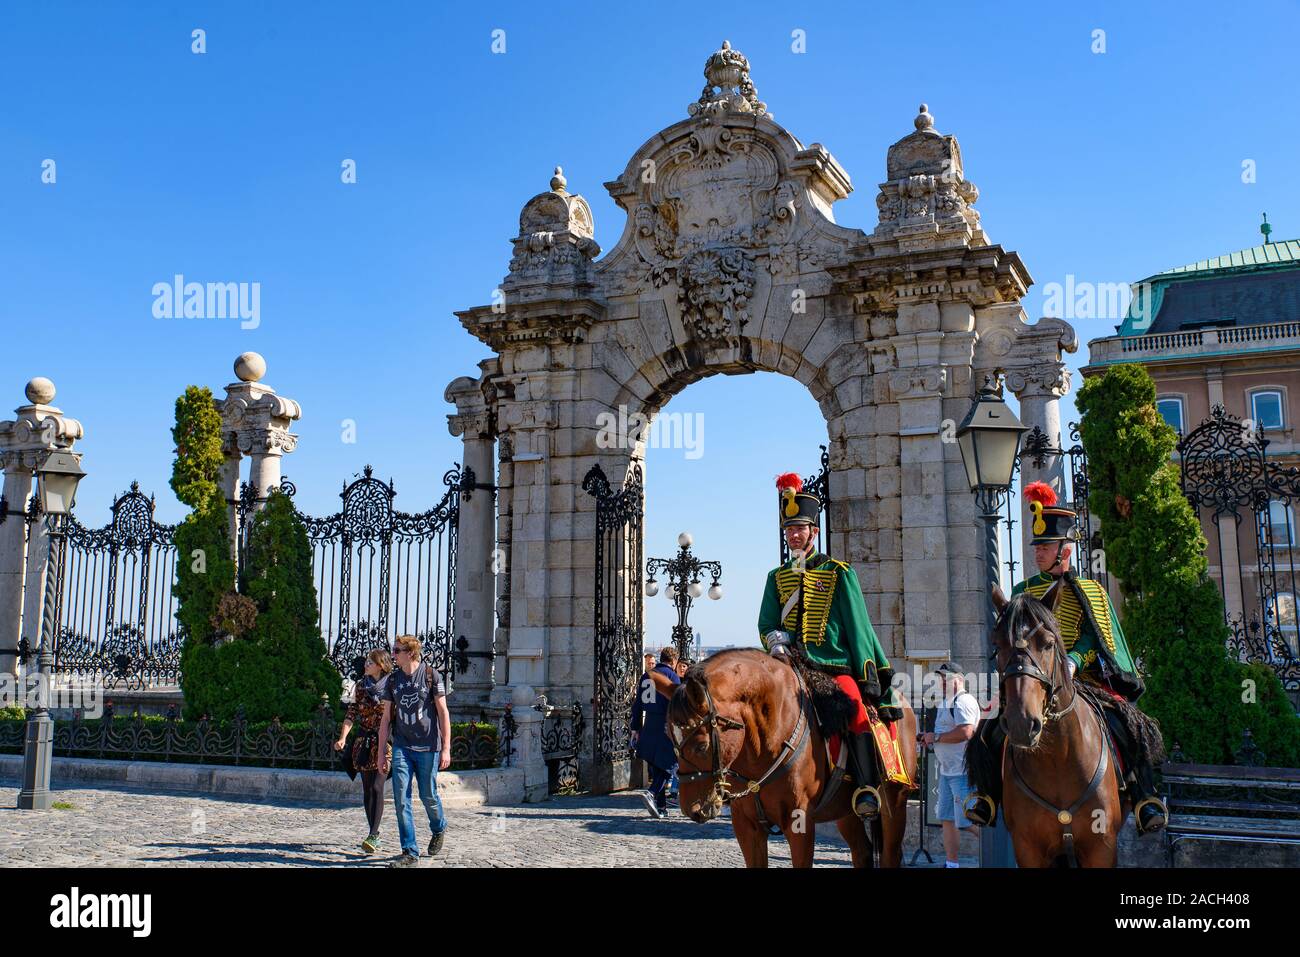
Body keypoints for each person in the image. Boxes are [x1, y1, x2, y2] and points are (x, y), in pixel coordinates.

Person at [963, 481, 1168, 835]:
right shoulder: (1022, 592)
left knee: (1130, 725)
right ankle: (987, 797)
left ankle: (1144, 795)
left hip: (1084, 680)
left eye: (1045, 546)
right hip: (1033, 680)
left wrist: (1074, 660)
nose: (1038, 552)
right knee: (989, 731)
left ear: (1065, 550)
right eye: (1037, 546)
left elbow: (1095, 636)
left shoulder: (1090, 591)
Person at [757, 472, 901, 821]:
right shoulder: (777, 577)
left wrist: (867, 670)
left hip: (832, 665)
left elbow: (858, 625)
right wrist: (776, 644)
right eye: (789, 529)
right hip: (789, 664)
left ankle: (866, 787)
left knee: (856, 713)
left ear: (814, 532)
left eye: (799, 529)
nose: (793, 535)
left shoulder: (839, 572)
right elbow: (766, 623)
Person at [377, 635, 452, 867]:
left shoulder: (431, 675)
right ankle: (410, 851)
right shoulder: (392, 680)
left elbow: (443, 713)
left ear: (410, 653)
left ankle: (439, 827)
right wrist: (381, 752)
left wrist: (446, 748)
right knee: (401, 799)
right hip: (402, 746)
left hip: (428, 746)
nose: (393, 654)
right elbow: (386, 718)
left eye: (397, 650)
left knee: (428, 795)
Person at [334, 649, 394, 855]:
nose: (366, 664)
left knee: (378, 787)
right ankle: (373, 833)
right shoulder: (360, 686)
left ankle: (373, 834)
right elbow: (351, 713)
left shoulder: (392, 685)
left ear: (381, 665)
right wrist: (343, 737)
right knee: (367, 789)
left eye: (371, 662)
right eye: (367, 661)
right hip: (364, 743)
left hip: (385, 743)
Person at [920, 662, 979, 867]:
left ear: (960, 680)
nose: (943, 682)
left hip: (962, 771)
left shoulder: (963, 701)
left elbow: (966, 732)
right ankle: (951, 864)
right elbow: (945, 735)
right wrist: (929, 738)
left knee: (969, 819)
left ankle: (1001, 850)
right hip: (948, 772)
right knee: (947, 818)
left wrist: (935, 737)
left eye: (947, 678)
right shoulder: (947, 702)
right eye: (941, 679)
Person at [630, 646, 681, 819]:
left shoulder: (647, 675)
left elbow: (636, 705)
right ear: (673, 661)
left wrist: (636, 728)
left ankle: (660, 807)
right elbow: (678, 704)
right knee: (670, 764)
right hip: (666, 724)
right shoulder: (672, 676)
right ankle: (651, 793)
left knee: (657, 764)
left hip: (648, 723)